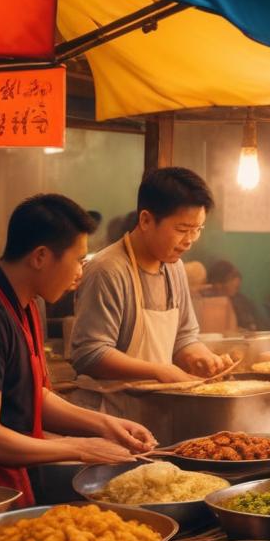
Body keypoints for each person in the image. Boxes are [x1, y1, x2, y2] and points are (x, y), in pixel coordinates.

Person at [0, 195, 156, 507]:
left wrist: (105, 425)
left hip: (1, 482)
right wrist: (80, 448)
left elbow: (32, 395)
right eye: (78, 260)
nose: (81, 273)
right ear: (40, 256)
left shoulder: (24, 299)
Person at [71, 168, 229, 408]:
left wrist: (201, 357)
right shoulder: (108, 270)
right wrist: (158, 371)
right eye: (182, 230)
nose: (189, 241)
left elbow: (184, 337)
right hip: (108, 413)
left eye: (197, 230)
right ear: (145, 220)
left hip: (155, 411)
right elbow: (90, 354)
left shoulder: (174, 267)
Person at [201, 260, 260, 332]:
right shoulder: (204, 300)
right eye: (231, 278)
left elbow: (251, 327)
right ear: (218, 284)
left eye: (236, 276)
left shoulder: (240, 301)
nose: (236, 281)